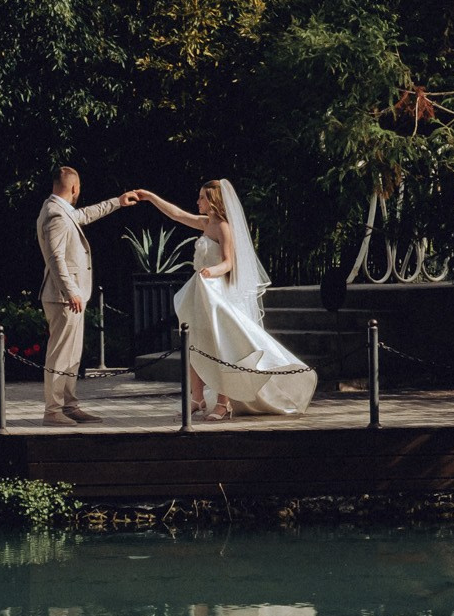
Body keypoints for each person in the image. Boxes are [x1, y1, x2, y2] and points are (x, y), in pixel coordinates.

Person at [134, 179, 316, 418]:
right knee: (195, 343)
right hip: (201, 290)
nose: (198, 201)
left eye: (202, 197)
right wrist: (150, 197)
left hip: (218, 291)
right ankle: (197, 398)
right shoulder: (205, 223)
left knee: (222, 346)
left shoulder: (223, 228)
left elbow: (229, 263)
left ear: (213, 201)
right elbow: (177, 214)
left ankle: (223, 401)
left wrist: (212, 271)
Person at [35, 166, 137, 426]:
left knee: (72, 355)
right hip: (63, 296)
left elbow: (84, 215)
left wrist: (117, 202)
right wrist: (70, 291)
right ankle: (53, 410)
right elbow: (56, 258)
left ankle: (69, 406)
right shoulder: (55, 214)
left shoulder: (61, 210)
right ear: (74, 188)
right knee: (60, 354)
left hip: (71, 295)